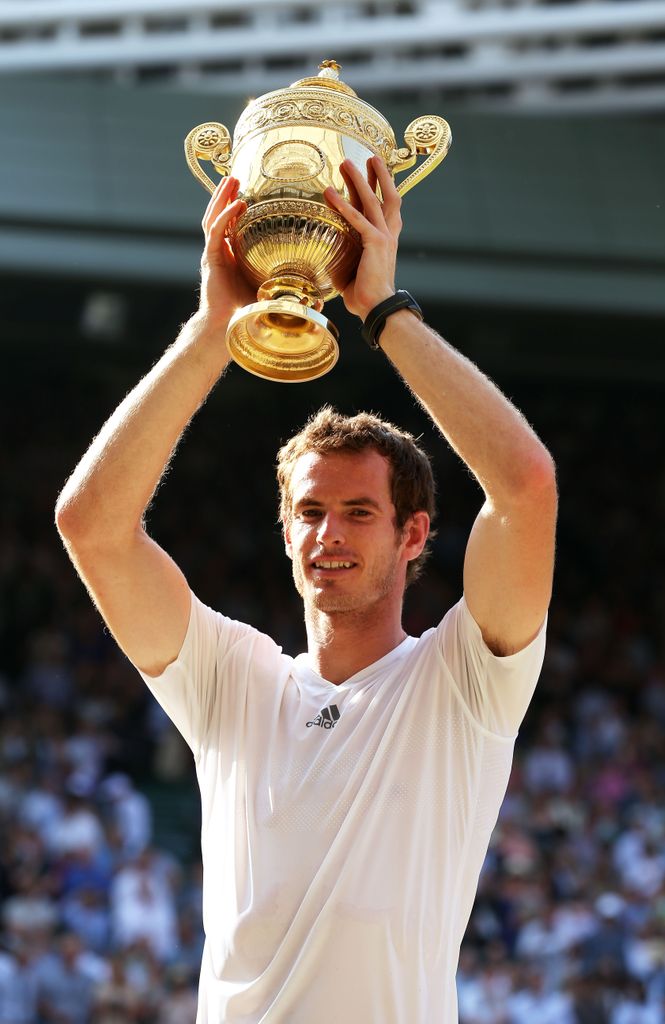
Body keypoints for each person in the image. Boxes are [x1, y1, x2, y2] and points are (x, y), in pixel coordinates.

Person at [55, 156, 557, 1022]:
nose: (327, 535)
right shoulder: (232, 678)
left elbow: (525, 486)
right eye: (310, 512)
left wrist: (382, 311)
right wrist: (213, 328)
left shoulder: (463, 681)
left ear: (412, 536)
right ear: (285, 531)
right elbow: (90, 524)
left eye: (358, 512)